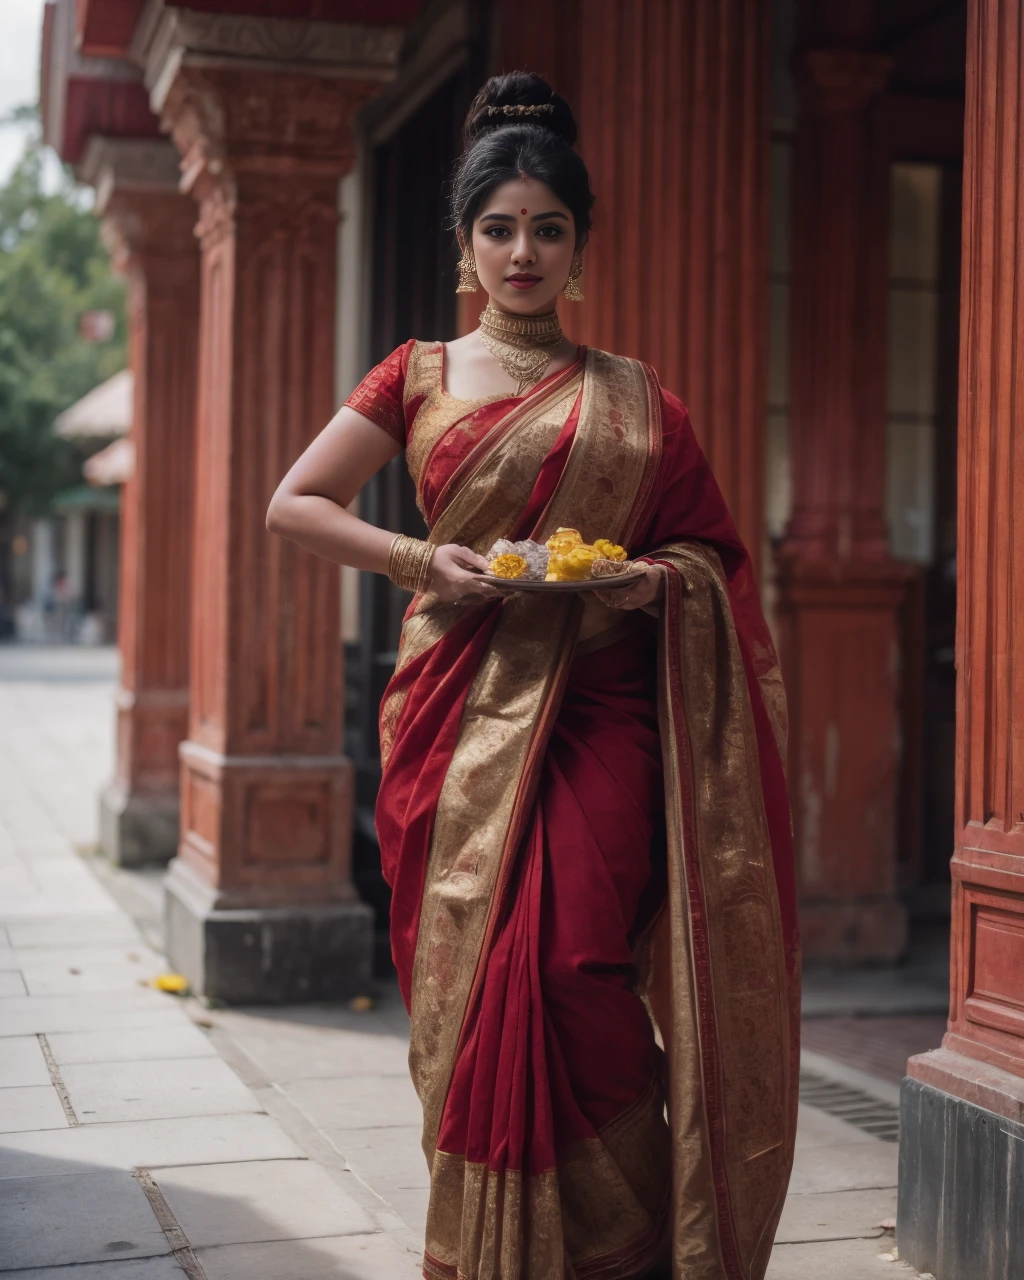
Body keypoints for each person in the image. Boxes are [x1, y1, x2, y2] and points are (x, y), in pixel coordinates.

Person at [267, 71, 798, 1280]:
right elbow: (292, 503)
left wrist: (653, 584)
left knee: (572, 961)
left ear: (577, 246)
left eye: (547, 228)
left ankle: (625, 1244)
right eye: (499, 227)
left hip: (603, 710)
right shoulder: (414, 375)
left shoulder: (635, 401)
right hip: (451, 717)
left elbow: (708, 554)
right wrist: (425, 561)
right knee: (469, 982)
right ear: (466, 242)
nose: (522, 250)